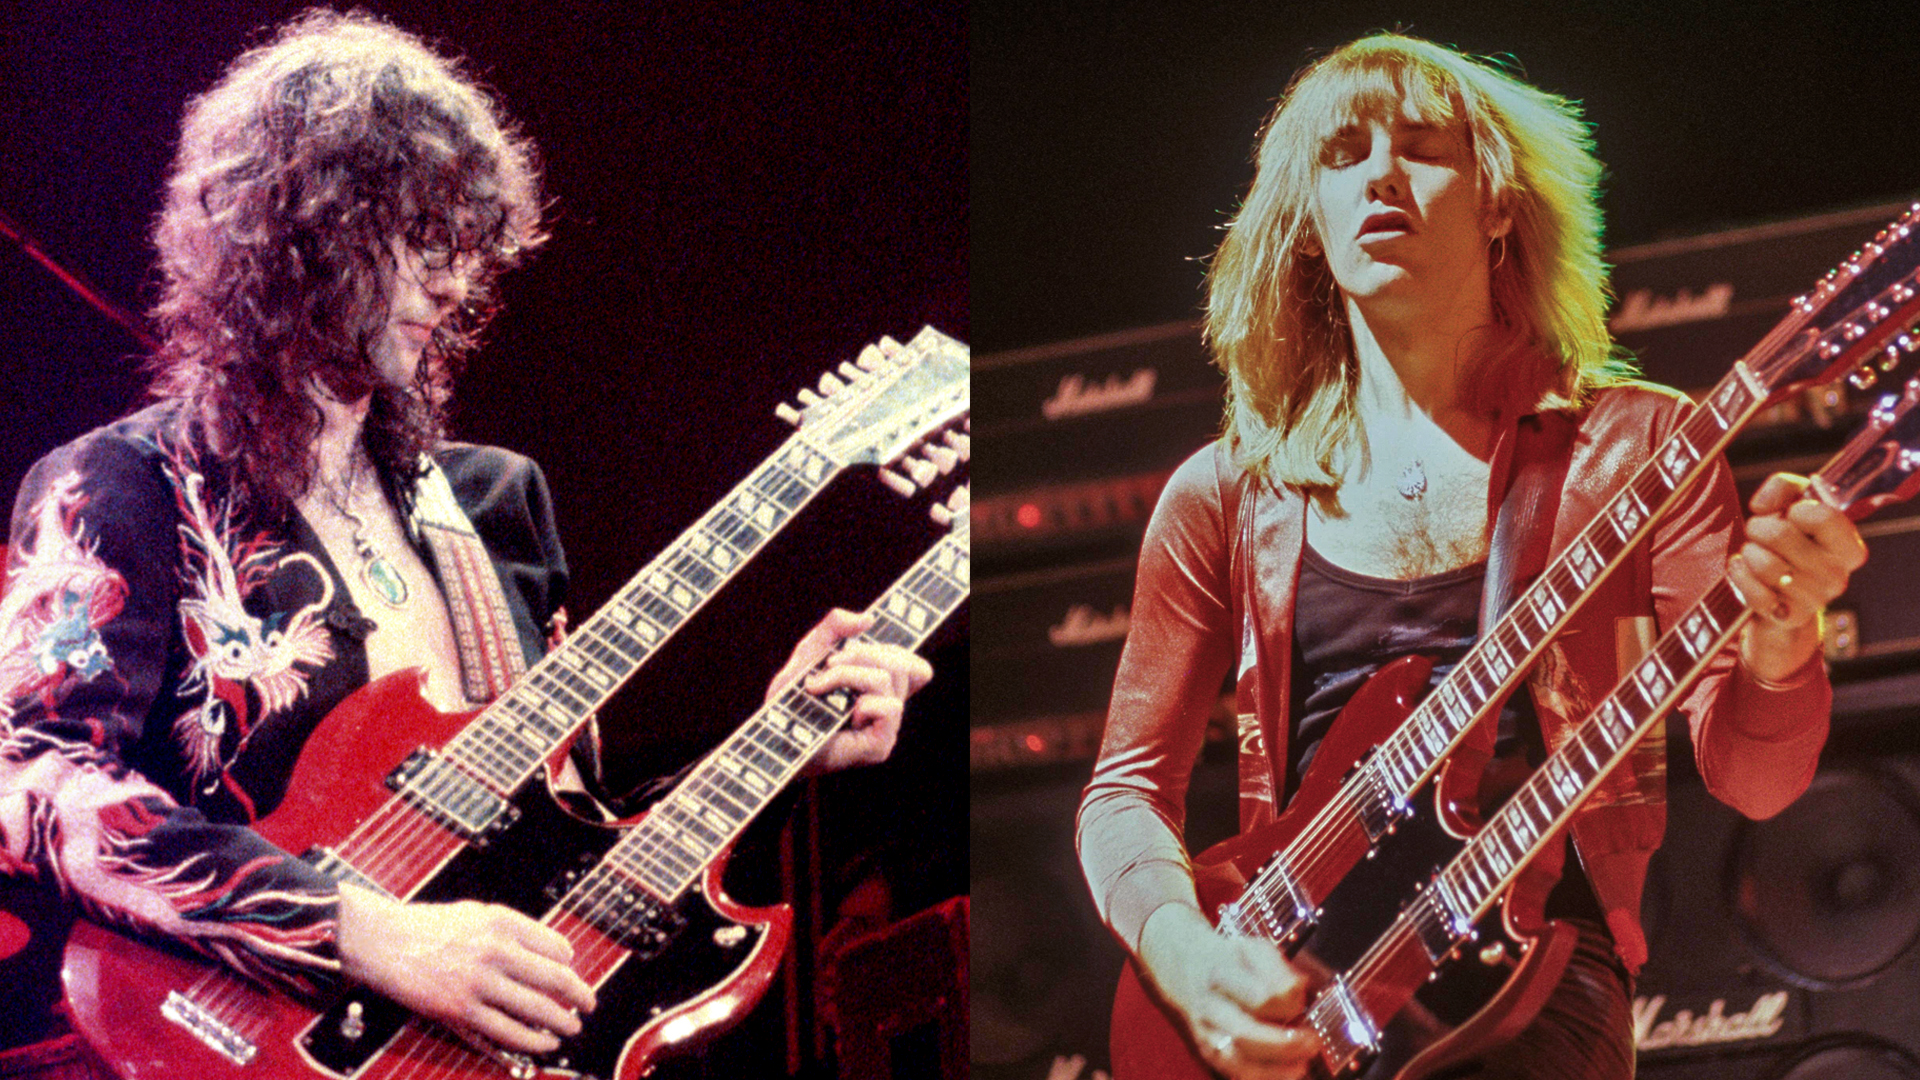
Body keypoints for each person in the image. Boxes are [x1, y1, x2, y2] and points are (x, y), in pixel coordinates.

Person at [0, 10, 932, 1077]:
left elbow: (562, 837)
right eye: (418, 237)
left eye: (465, 244)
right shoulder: (117, 486)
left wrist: (779, 741)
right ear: (299, 237)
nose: (452, 282)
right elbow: (28, 775)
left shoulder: (495, 503)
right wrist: (366, 931)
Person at [1077, 34, 1866, 1080]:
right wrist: (1185, 959)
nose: (1381, 175)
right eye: (1343, 154)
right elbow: (1124, 793)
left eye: (1421, 146)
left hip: (1534, 987)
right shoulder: (1224, 494)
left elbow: (1756, 782)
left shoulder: (1638, 447)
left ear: (1498, 203)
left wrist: (1784, 636)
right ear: (1307, 222)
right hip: (1299, 994)